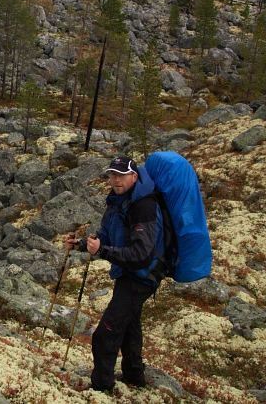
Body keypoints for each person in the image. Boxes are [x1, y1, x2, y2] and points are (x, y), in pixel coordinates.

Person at [64, 156, 164, 391]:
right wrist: (81, 244)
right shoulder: (117, 202)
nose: (116, 180)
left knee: (104, 335)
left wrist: (104, 252)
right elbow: (105, 236)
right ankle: (134, 375)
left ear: (134, 177)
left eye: (121, 175)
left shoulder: (144, 206)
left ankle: (102, 388)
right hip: (128, 272)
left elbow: (142, 254)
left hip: (142, 276)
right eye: (112, 175)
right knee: (130, 327)